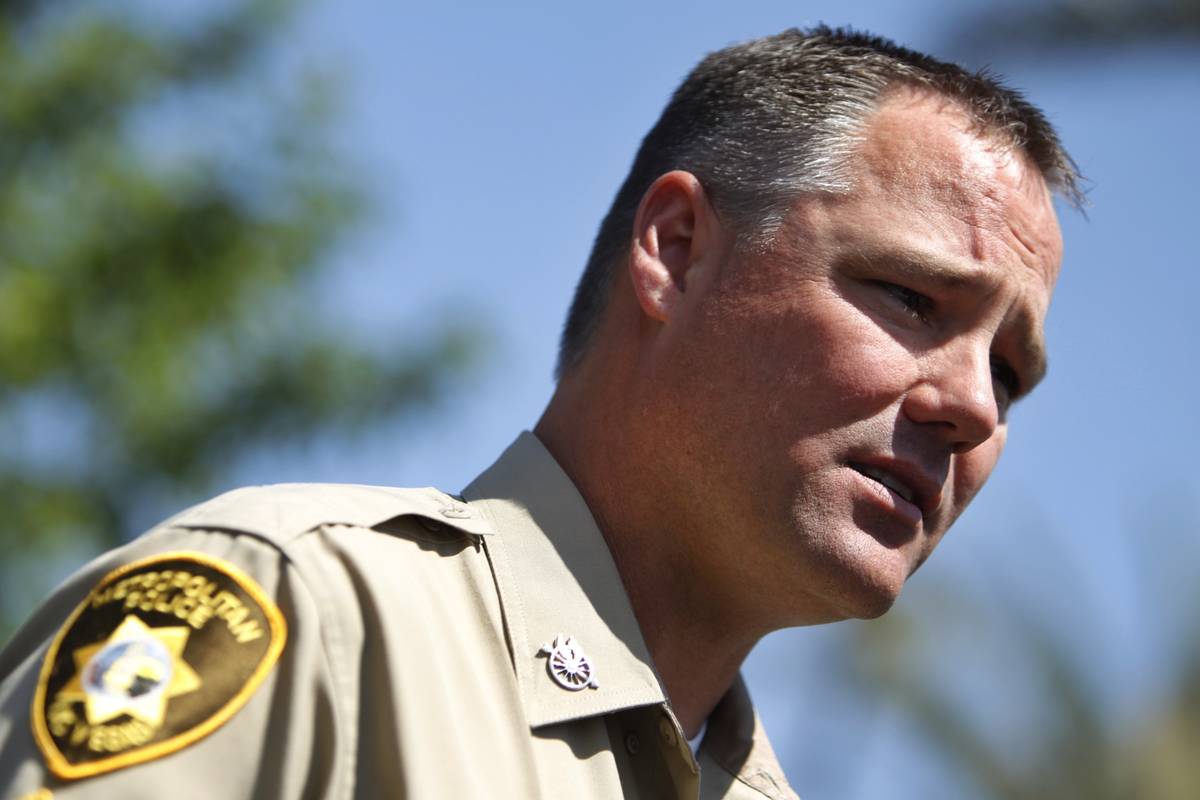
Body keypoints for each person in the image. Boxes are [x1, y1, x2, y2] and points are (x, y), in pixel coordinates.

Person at [0, 25, 1079, 800]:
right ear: (677, 252)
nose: (973, 407)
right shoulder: (305, 618)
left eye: (1013, 375)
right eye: (911, 298)